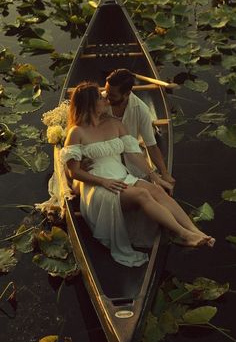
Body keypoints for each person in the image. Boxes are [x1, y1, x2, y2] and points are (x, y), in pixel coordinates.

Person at [60, 82, 215, 267]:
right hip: (98, 187)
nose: (105, 98)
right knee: (142, 195)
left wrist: (156, 177)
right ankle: (183, 235)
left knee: (156, 191)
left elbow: (134, 154)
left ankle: (196, 231)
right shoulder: (76, 132)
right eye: (101, 97)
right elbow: (74, 171)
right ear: (90, 103)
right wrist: (103, 182)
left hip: (123, 177)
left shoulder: (114, 123)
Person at [104, 68, 175, 187]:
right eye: (106, 92)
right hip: (106, 157)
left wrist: (165, 173)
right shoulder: (100, 104)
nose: (107, 97)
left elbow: (151, 146)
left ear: (127, 94)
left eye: (112, 95)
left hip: (131, 159)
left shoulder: (141, 110)